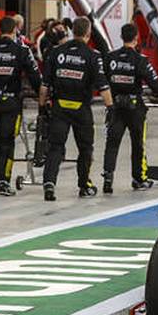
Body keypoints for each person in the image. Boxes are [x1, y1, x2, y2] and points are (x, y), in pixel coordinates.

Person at [39, 17, 112, 201]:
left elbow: (44, 85)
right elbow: (103, 87)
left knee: (55, 147)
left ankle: (49, 183)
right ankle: (83, 186)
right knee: (86, 149)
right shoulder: (93, 55)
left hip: (60, 107)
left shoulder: (56, 52)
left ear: (73, 32)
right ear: (88, 34)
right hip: (81, 109)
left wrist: (42, 107)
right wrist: (111, 108)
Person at [103, 23, 158, 193]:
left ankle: (108, 179)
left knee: (112, 143)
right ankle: (138, 179)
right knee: (137, 144)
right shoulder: (140, 60)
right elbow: (154, 83)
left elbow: (102, 80)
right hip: (135, 109)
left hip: (116, 106)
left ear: (121, 37)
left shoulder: (110, 58)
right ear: (136, 38)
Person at [0, 16, 40, 196]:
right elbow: (35, 77)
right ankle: (4, 181)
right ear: (14, 31)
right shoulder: (21, 50)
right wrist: (41, 97)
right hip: (12, 103)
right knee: (8, 141)